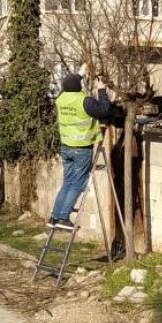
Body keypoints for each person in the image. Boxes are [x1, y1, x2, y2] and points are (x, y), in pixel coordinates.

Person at [48, 74, 111, 229]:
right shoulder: (85, 101)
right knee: (77, 184)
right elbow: (104, 110)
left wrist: (82, 72)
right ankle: (63, 217)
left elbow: (68, 87)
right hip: (81, 148)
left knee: (67, 182)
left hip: (66, 147)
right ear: (78, 87)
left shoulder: (60, 99)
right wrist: (102, 90)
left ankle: (54, 217)